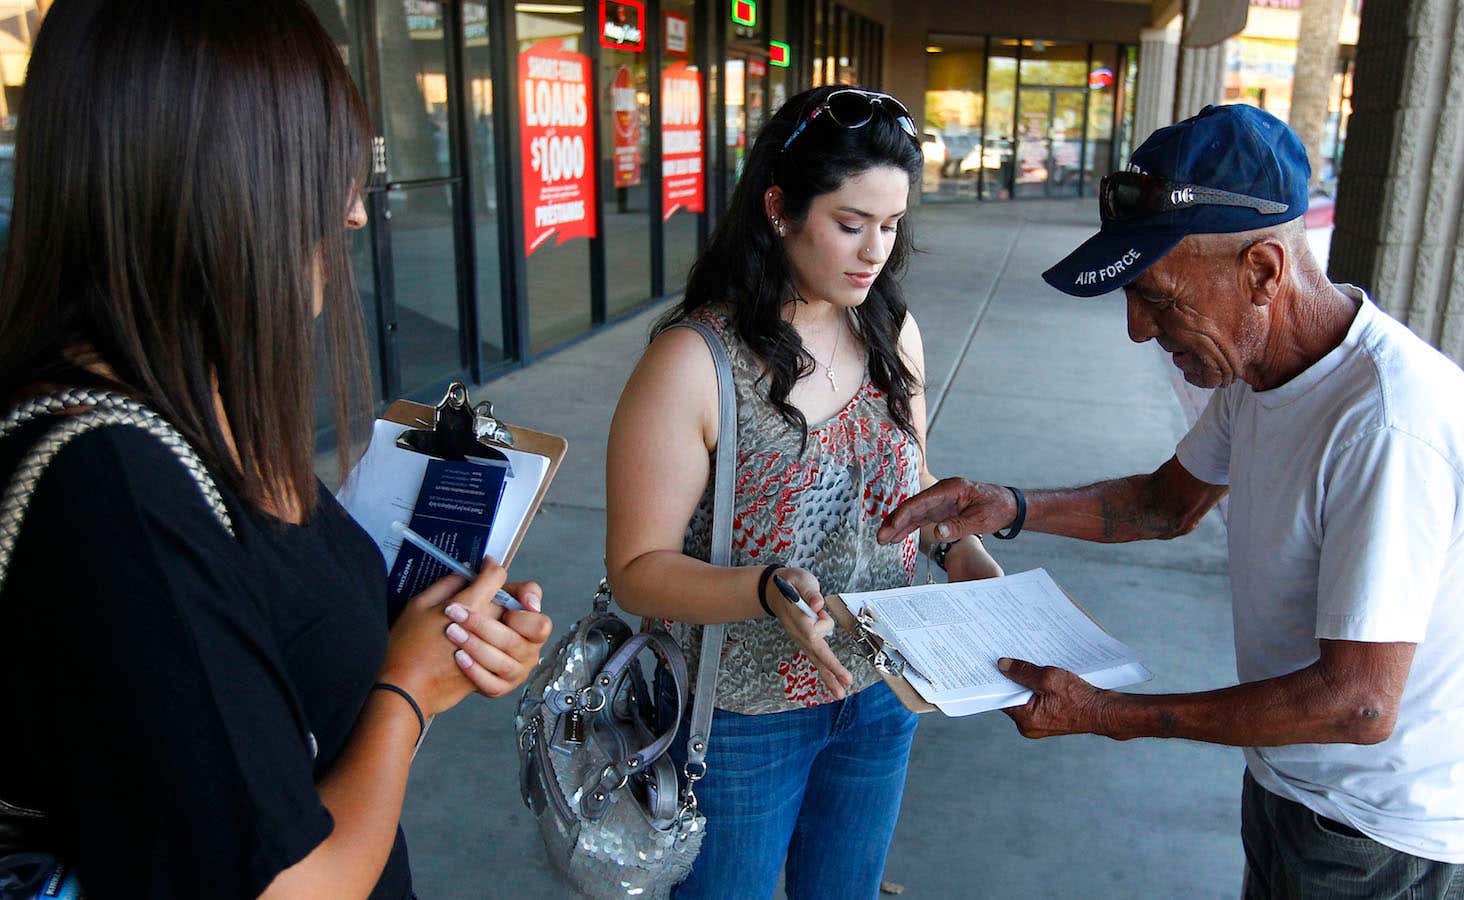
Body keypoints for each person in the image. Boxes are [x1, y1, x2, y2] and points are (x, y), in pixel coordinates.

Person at [879, 104, 1464, 899]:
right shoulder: (1264, 370)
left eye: (1158, 297)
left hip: (1389, 834)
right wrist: (1008, 505)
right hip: (1298, 791)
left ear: (1262, 272)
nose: (1138, 331)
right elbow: (1163, 505)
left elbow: (1357, 704)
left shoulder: (1387, 427)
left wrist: (1110, 713)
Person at [0, 2, 551, 897]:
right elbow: (285, 886)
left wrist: (440, 641)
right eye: (325, 173)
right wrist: (409, 692)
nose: (353, 216)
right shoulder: (108, 484)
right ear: (216, 181)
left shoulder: (186, 401)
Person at [605, 85, 1004, 899]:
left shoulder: (892, 332)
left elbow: (912, 482)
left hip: (884, 689)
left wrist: (961, 550)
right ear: (780, 208)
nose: (875, 253)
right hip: (740, 720)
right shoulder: (694, 364)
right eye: (850, 225)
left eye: (891, 227)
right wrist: (765, 589)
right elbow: (637, 569)